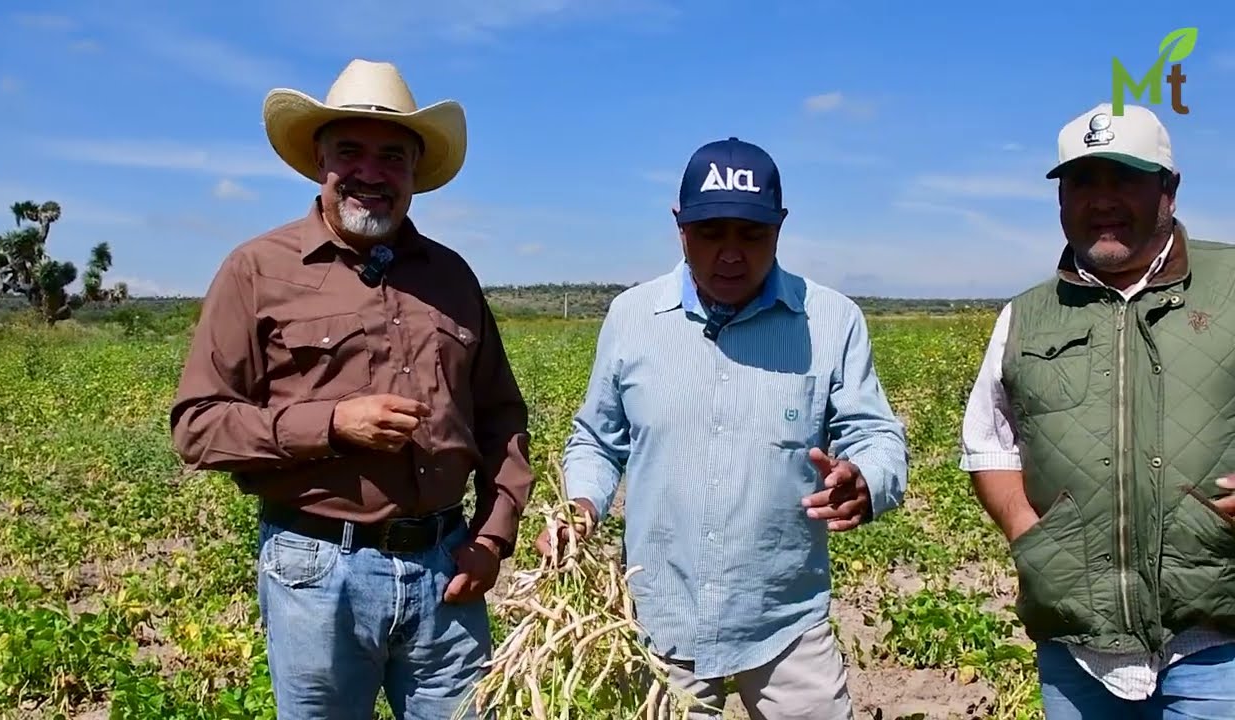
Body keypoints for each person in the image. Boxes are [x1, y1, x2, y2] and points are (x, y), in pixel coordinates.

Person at [169, 59, 533, 720]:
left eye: (392, 156)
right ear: (320, 162)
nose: (371, 172)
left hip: (447, 566)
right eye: (350, 152)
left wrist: (493, 536)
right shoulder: (257, 270)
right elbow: (197, 425)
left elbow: (501, 416)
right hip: (316, 572)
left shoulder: (452, 277)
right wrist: (330, 423)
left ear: (415, 171)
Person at [537, 136, 909, 719]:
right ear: (680, 228)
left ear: (780, 228)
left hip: (785, 617)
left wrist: (867, 478)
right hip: (661, 616)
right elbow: (597, 439)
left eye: (752, 235)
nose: (731, 255)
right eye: (711, 234)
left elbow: (874, 433)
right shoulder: (632, 318)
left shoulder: (831, 321)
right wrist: (582, 504)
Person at [960, 102, 1235, 718]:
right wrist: (1029, 536)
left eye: (1125, 179)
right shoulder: (1025, 315)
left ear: (1169, 190)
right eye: (1084, 181)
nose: (1102, 199)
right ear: (1062, 199)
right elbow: (989, 442)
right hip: (1076, 647)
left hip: (1220, 640)